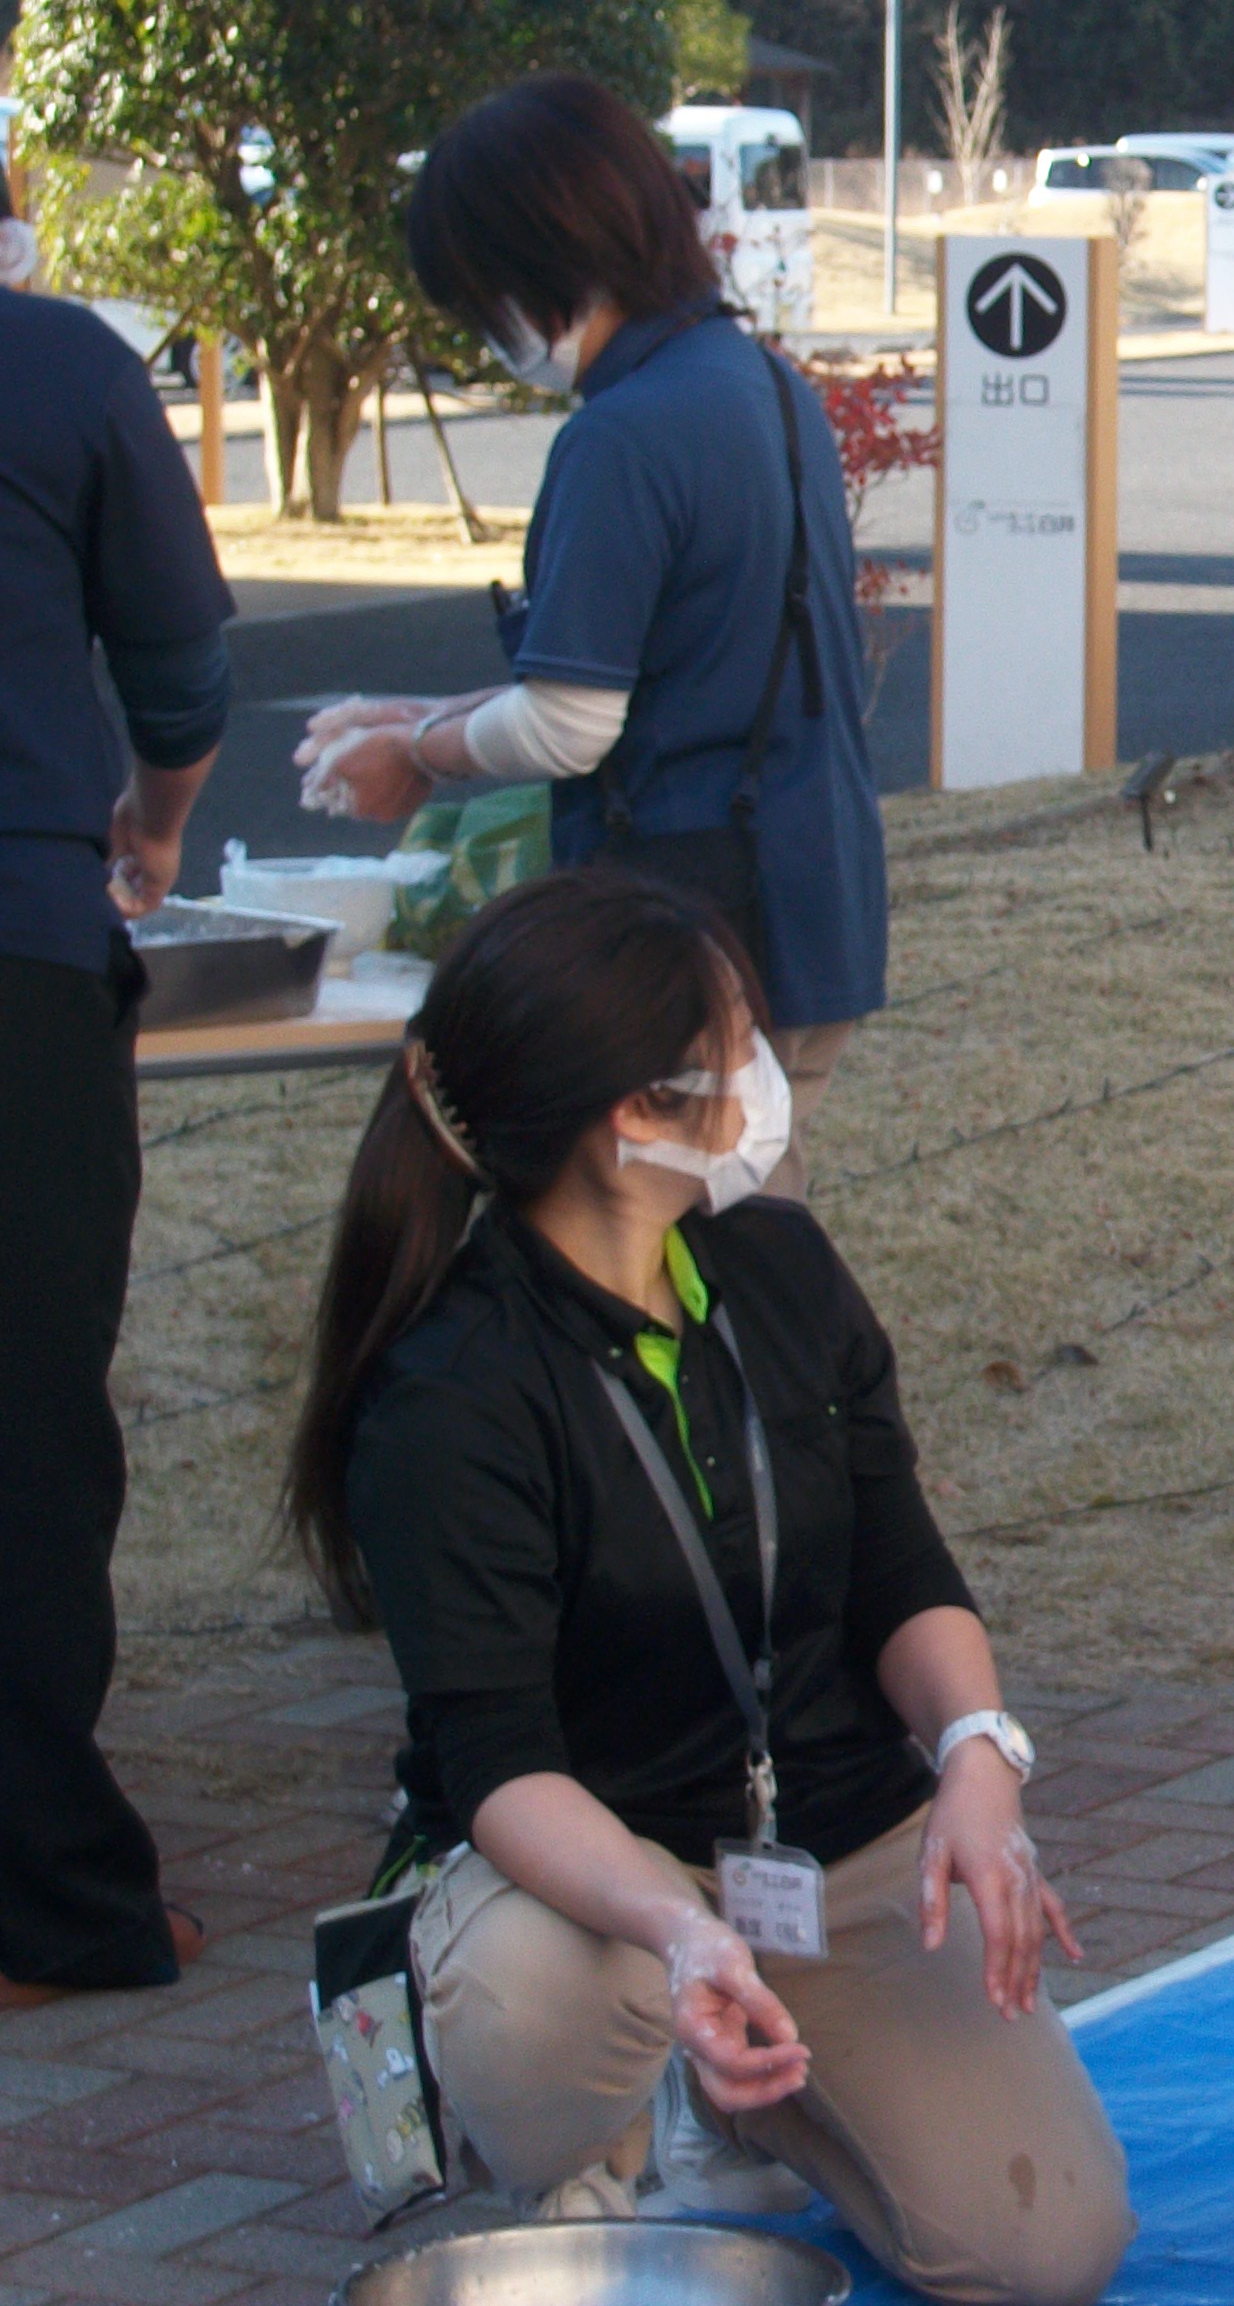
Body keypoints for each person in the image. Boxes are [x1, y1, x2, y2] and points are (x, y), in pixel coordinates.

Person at [283, 868, 1128, 2299]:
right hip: (591, 1878)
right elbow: (497, 1762)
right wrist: (681, 1930)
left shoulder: (778, 1265)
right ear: (632, 1113)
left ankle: (744, 2092)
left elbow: (902, 1569)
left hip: (827, 1841)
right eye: (735, 1043)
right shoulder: (453, 1393)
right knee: (566, 1987)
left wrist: (980, 1756)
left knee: (1050, 2250)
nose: (765, 1067)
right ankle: (592, 2143)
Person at [297, 75, 885, 1193]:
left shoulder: (624, 436)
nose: (486, 336)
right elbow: (674, 666)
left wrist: (418, 753)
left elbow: (569, 723)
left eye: (480, 302)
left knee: (653, 1240)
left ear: (536, 262)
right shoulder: (763, 387)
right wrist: (427, 716)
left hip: (683, 937)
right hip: (809, 910)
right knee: (752, 1230)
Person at [0, 270, 230, 2009]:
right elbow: (176, 666)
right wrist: (149, 831)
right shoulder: (60, 364)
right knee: (23, 1425)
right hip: (21, 953)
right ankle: (47, 1901)